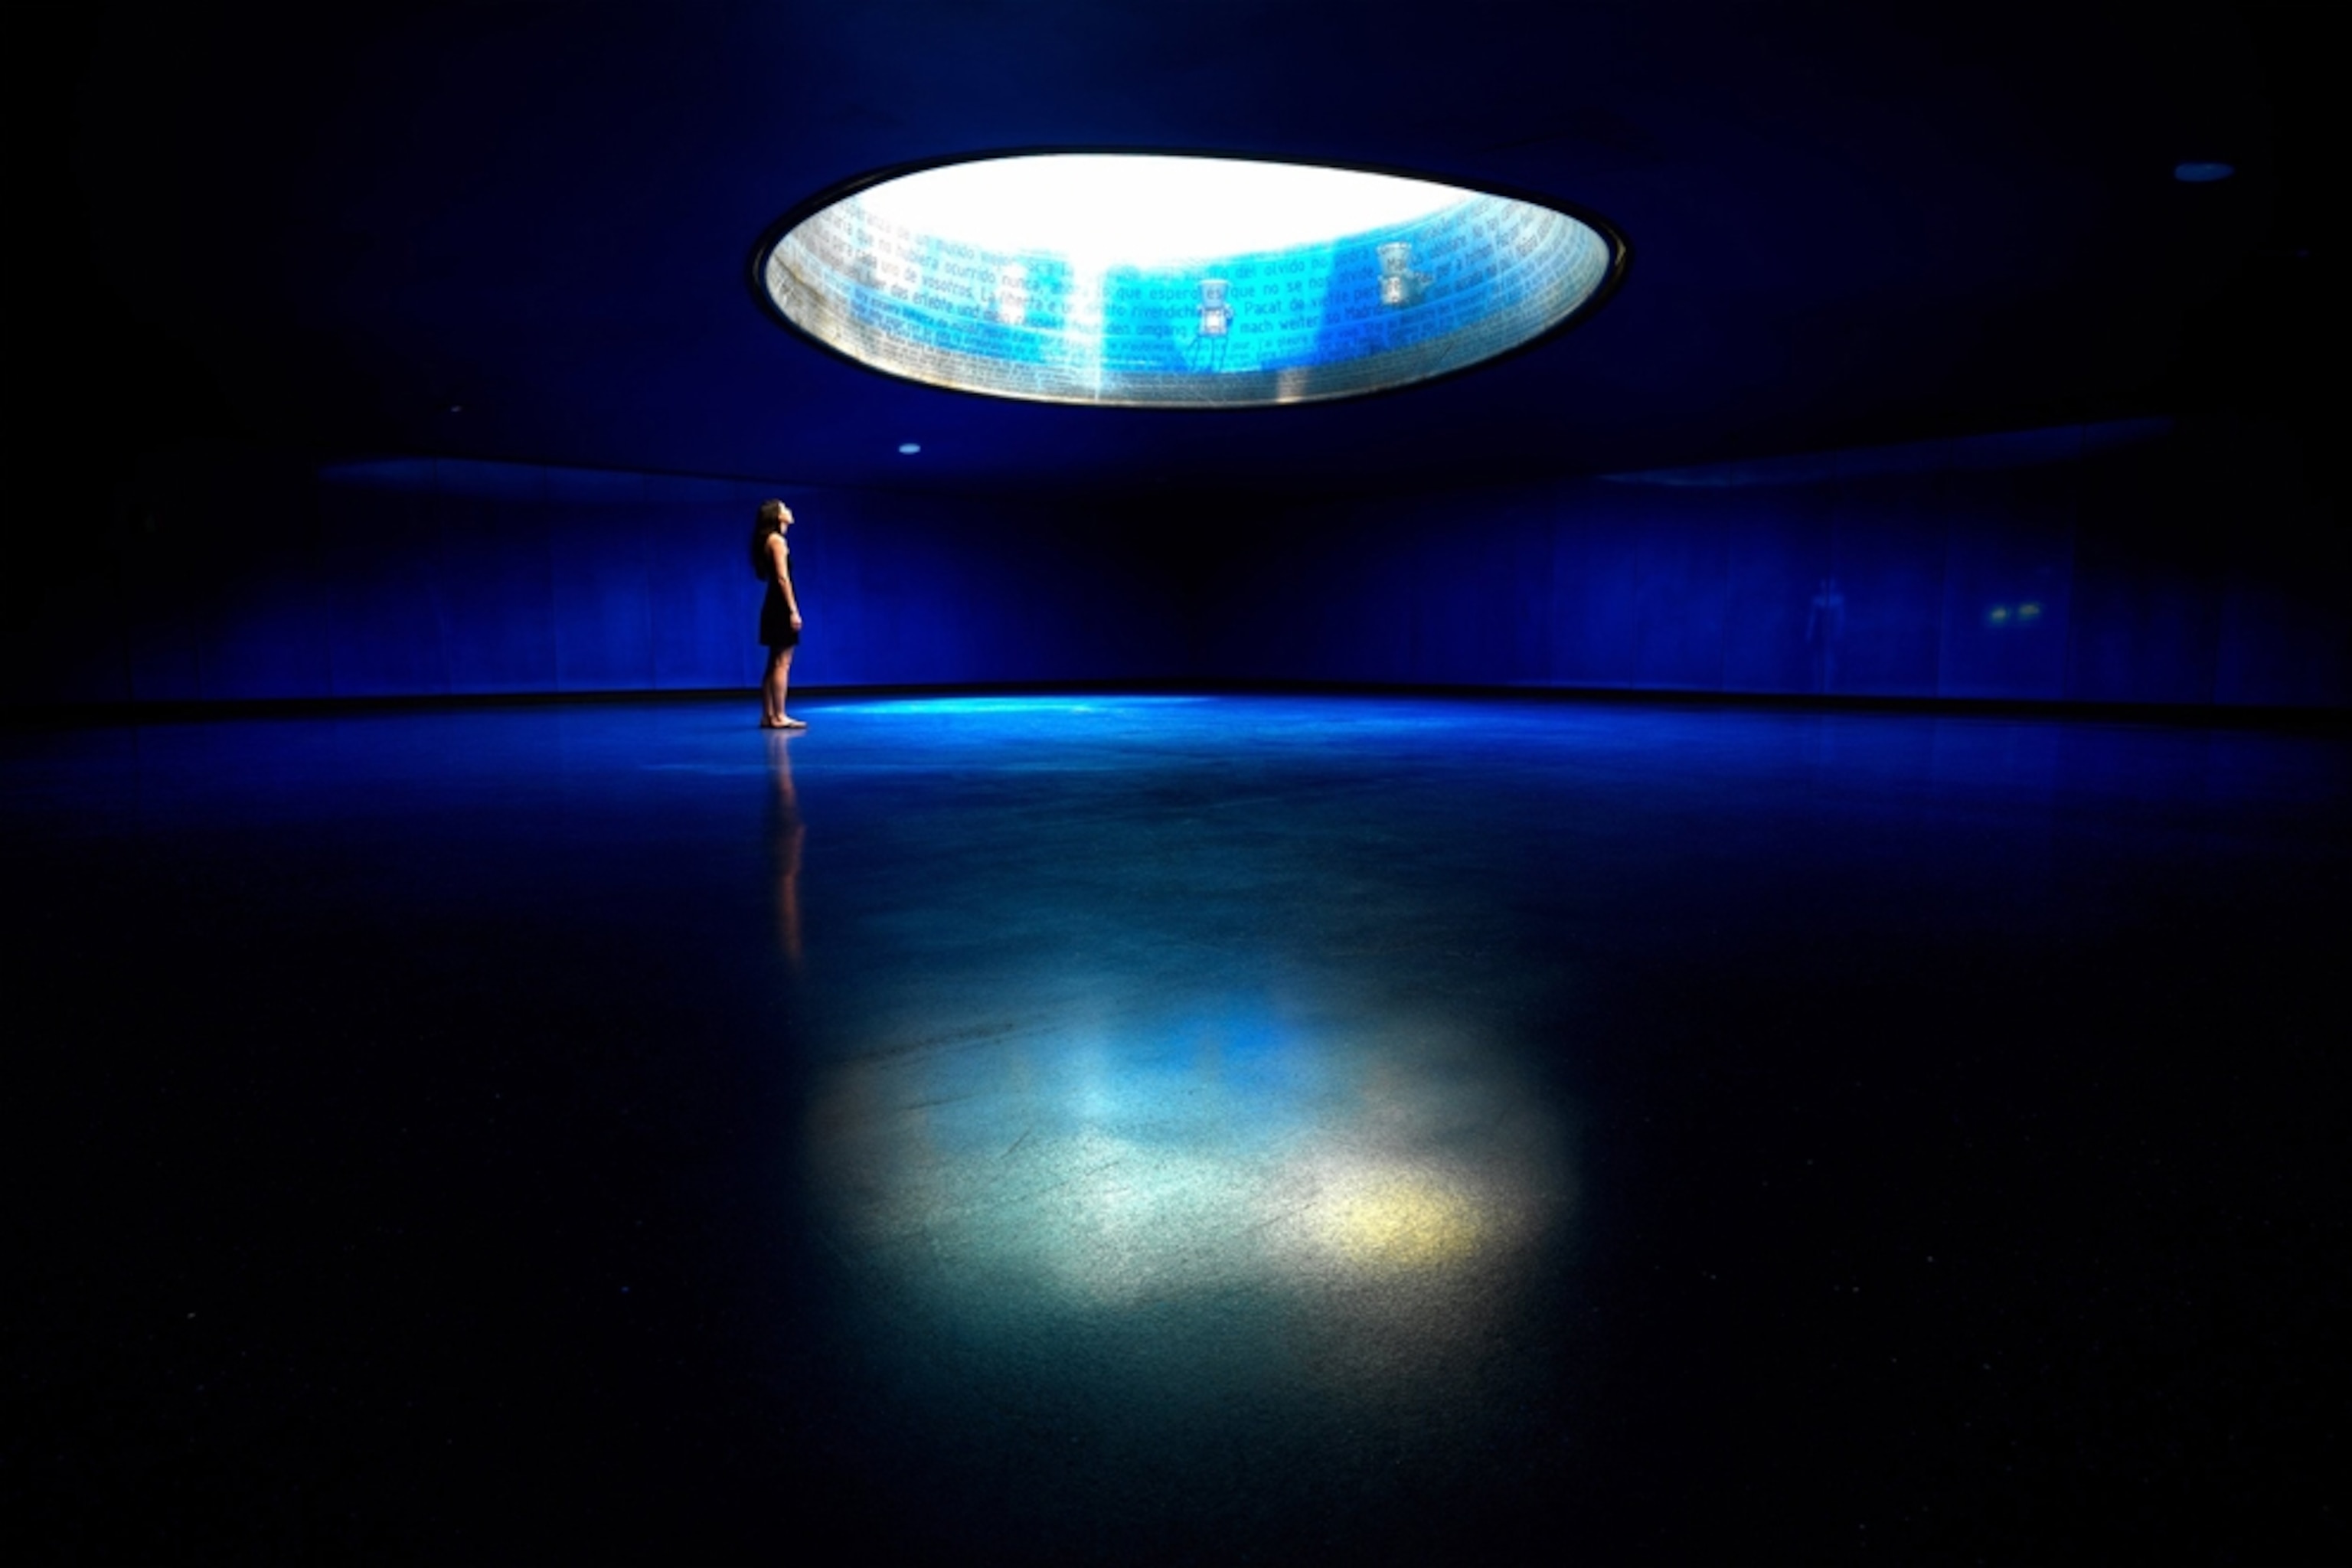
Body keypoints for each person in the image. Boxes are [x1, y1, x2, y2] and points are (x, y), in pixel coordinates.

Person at [750, 499, 805, 729]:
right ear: (777, 516)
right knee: (783, 662)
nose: (789, 511)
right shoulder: (778, 541)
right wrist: (793, 610)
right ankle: (780, 715)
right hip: (780, 604)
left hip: (771, 603)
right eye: (785, 508)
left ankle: (768, 715)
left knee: (773, 662)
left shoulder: (769, 540)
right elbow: (783, 578)